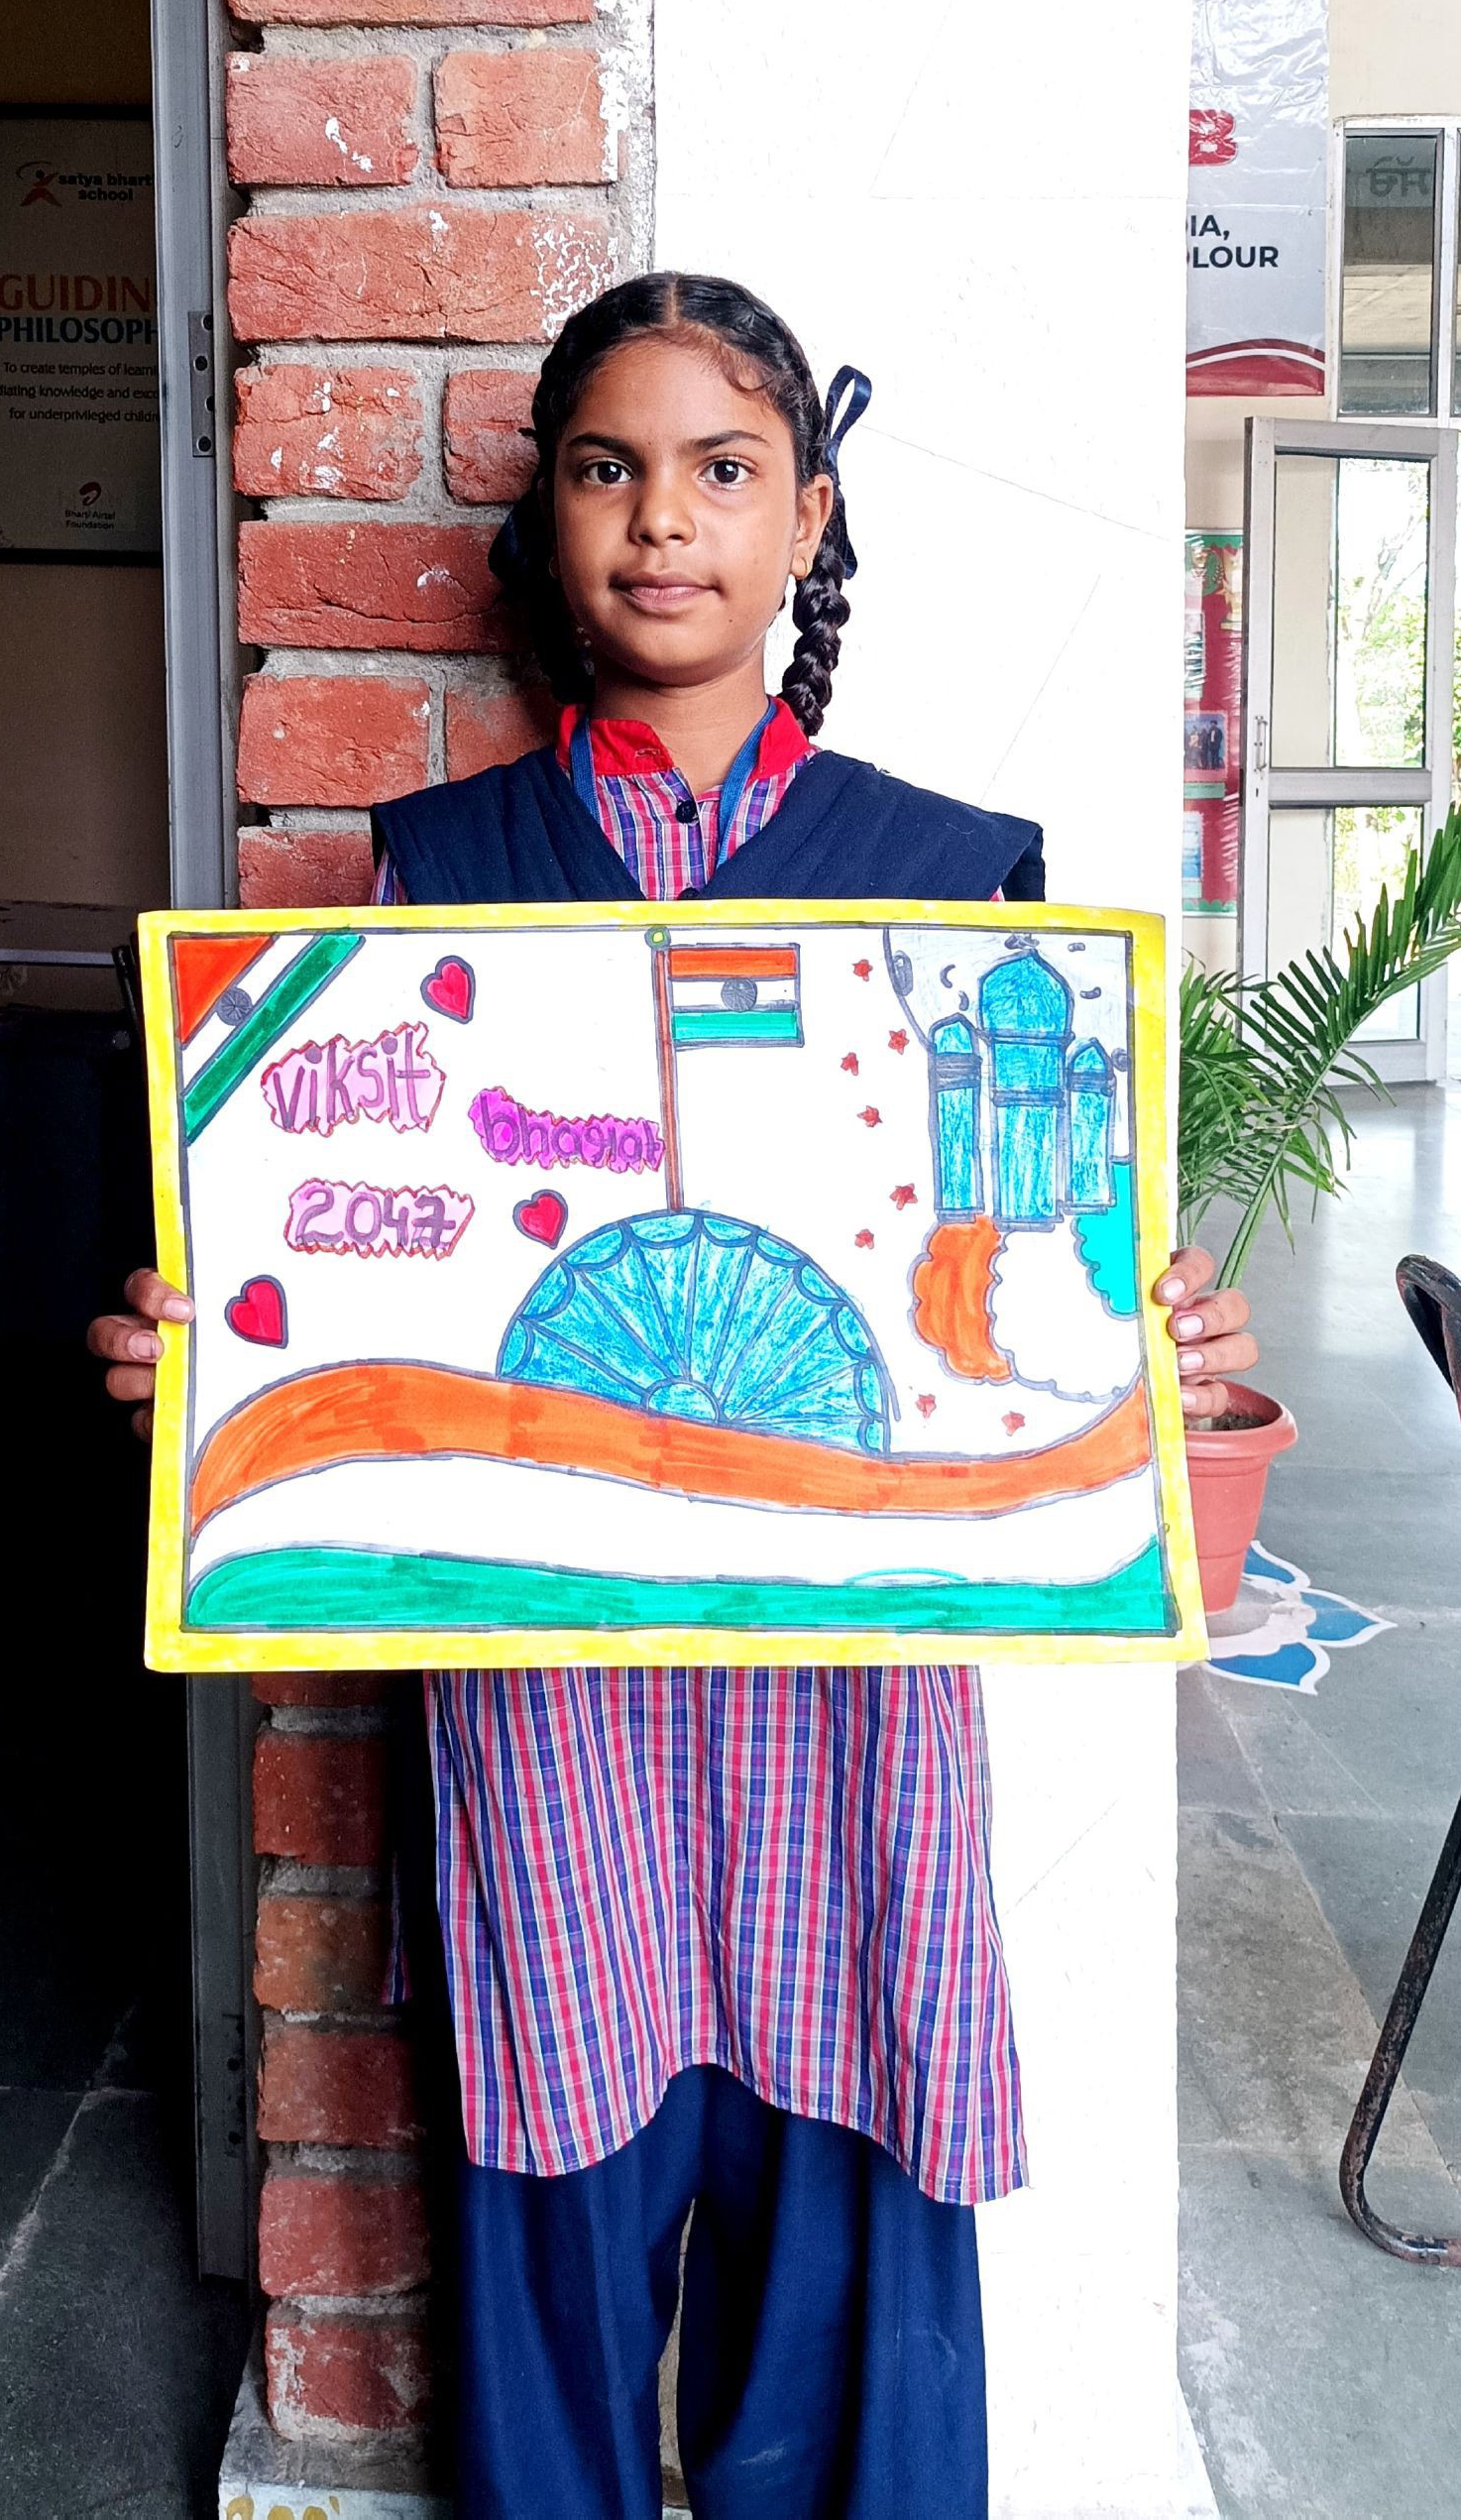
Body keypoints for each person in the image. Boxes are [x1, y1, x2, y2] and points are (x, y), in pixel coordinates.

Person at [91, 274, 1257, 2520]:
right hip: (558, 1727)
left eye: (723, 470)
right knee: (548, 2229)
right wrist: (214, 1351)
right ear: (547, 522)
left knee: (852, 2264)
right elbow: (361, 1245)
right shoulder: (441, 873)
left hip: (853, 1727)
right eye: (606, 470)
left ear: (807, 515)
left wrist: (1157, 1344)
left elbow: (1028, 1271)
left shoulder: (960, 882)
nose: (661, 522)